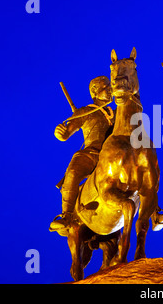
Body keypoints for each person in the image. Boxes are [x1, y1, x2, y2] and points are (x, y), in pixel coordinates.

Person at [49, 76, 115, 231]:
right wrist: (60, 133)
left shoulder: (116, 113)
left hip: (112, 156)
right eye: (106, 88)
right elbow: (66, 134)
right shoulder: (85, 111)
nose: (110, 90)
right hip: (91, 154)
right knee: (72, 172)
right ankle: (66, 215)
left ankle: (153, 210)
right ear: (96, 92)